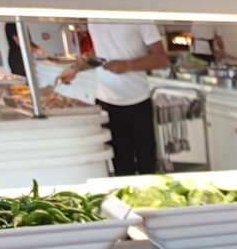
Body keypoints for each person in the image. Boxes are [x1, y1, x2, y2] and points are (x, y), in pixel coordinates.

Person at [58, 22, 168, 175]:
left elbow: (161, 58)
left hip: (137, 100)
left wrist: (127, 65)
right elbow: (99, 52)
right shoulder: (93, 16)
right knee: (121, 166)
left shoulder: (140, 15)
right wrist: (75, 68)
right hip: (106, 102)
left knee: (147, 164)